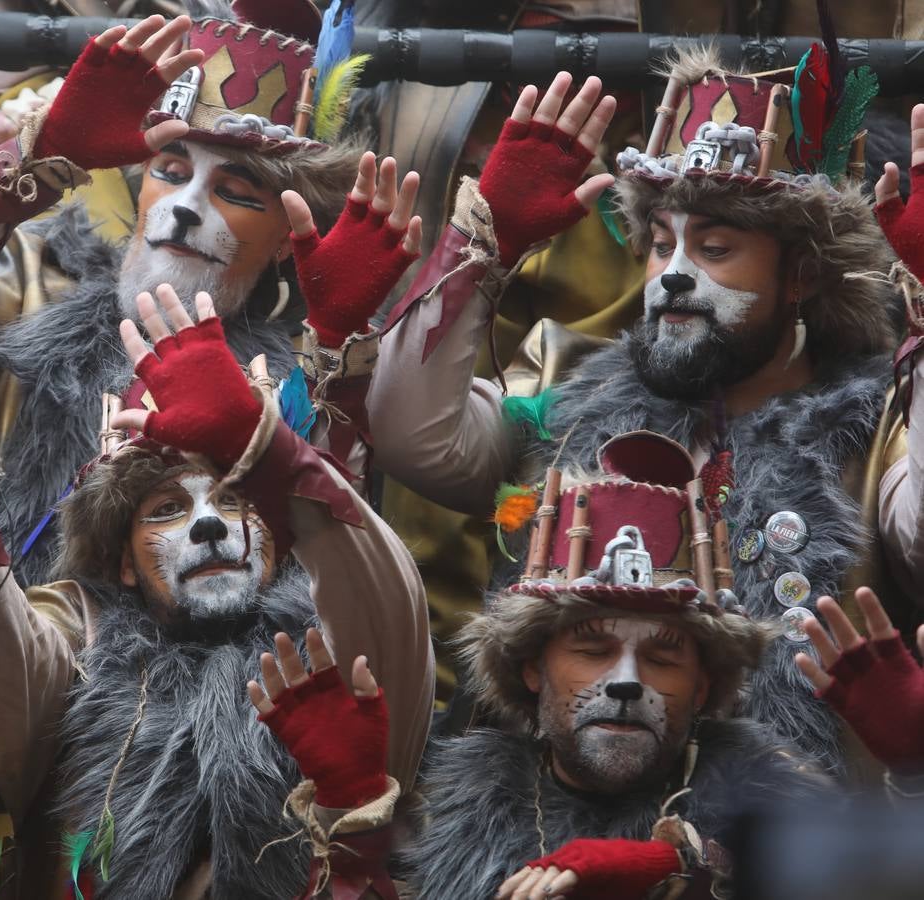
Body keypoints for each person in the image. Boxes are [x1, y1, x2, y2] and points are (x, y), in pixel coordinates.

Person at [369, 48, 911, 770]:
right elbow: (413, 437)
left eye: (714, 247)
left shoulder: (878, 430)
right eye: (660, 245)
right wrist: (482, 243)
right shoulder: (573, 383)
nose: (676, 275)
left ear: (803, 275)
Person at [0, 290, 433, 898]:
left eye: (235, 498)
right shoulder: (78, 650)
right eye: (167, 510)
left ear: (282, 534)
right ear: (123, 564)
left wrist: (265, 452)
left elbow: (383, 595)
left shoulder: (339, 645)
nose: (207, 524)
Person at [0, 5, 422, 585]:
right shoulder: (36, 284)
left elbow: (340, 574)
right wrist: (36, 164)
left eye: (236, 192)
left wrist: (334, 348)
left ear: (283, 239)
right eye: (169, 171)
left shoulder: (303, 368)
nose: (186, 208)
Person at [254, 432, 832, 899]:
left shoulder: (778, 811)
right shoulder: (450, 815)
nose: (627, 681)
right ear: (532, 667)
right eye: (591, 649)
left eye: (662, 655)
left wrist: (681, 865)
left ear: (705, 683)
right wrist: (353, 812)